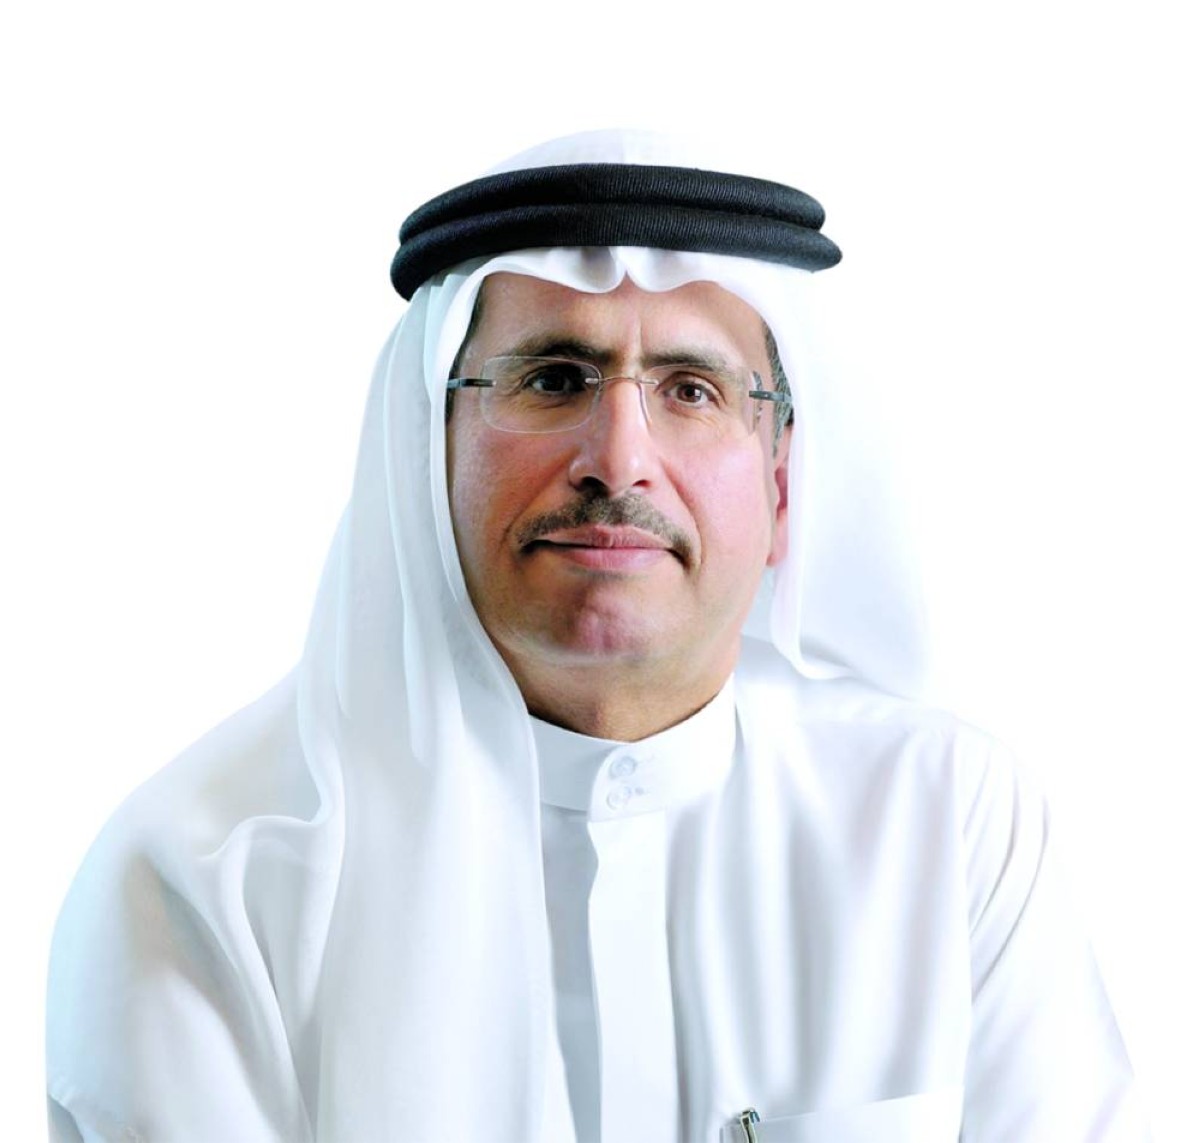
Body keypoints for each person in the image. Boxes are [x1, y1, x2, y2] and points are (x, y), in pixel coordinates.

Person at [46, 130, 1146, 1142]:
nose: (618, 459)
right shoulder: (201, 880)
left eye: (692, 389)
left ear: (782, 481)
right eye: (553, 379)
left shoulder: (947, 821)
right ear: (425, 458)